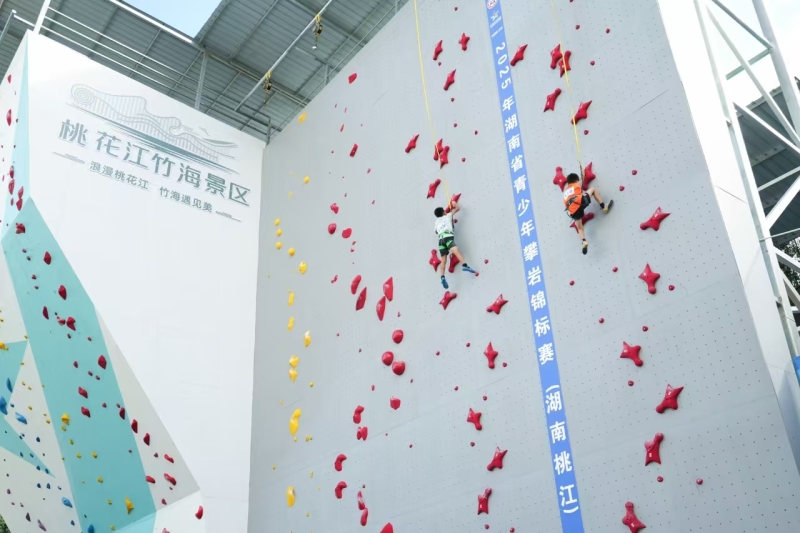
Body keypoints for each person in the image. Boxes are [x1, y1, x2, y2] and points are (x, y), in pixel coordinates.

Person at [563, 172, 613, 255]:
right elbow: (582, 179)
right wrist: (583, 171)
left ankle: (584, 241)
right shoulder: (576, 185)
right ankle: (604, 207)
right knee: (593, 189)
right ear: (576, 180)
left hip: (573, 212)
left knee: (580, 227)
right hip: (580, 203)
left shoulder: (565, 193)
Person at [434, 201, 476, 288]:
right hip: (447, 237)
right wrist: (454, 203)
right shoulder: (448, 216)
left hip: (441, 240)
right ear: (443, 212)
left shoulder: (436, 222)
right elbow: (457, 208)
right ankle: (464, 265)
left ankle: (442, 276)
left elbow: (436, 232)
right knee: (456, 251)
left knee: (443, 260)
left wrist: (449, 223)